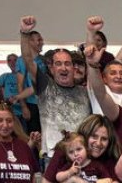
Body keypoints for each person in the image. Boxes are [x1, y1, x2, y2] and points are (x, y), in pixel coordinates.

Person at [20, 16, 92, 157]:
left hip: (82, 158)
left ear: (73, 68)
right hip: (53, 158)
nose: (63, 68)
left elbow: (91, 57)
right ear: (51, 69)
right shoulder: (45, 87)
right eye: (58, 64)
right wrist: (24, 33)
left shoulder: (85, 92)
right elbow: (28, 60)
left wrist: (91, 32)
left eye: (67, 63)